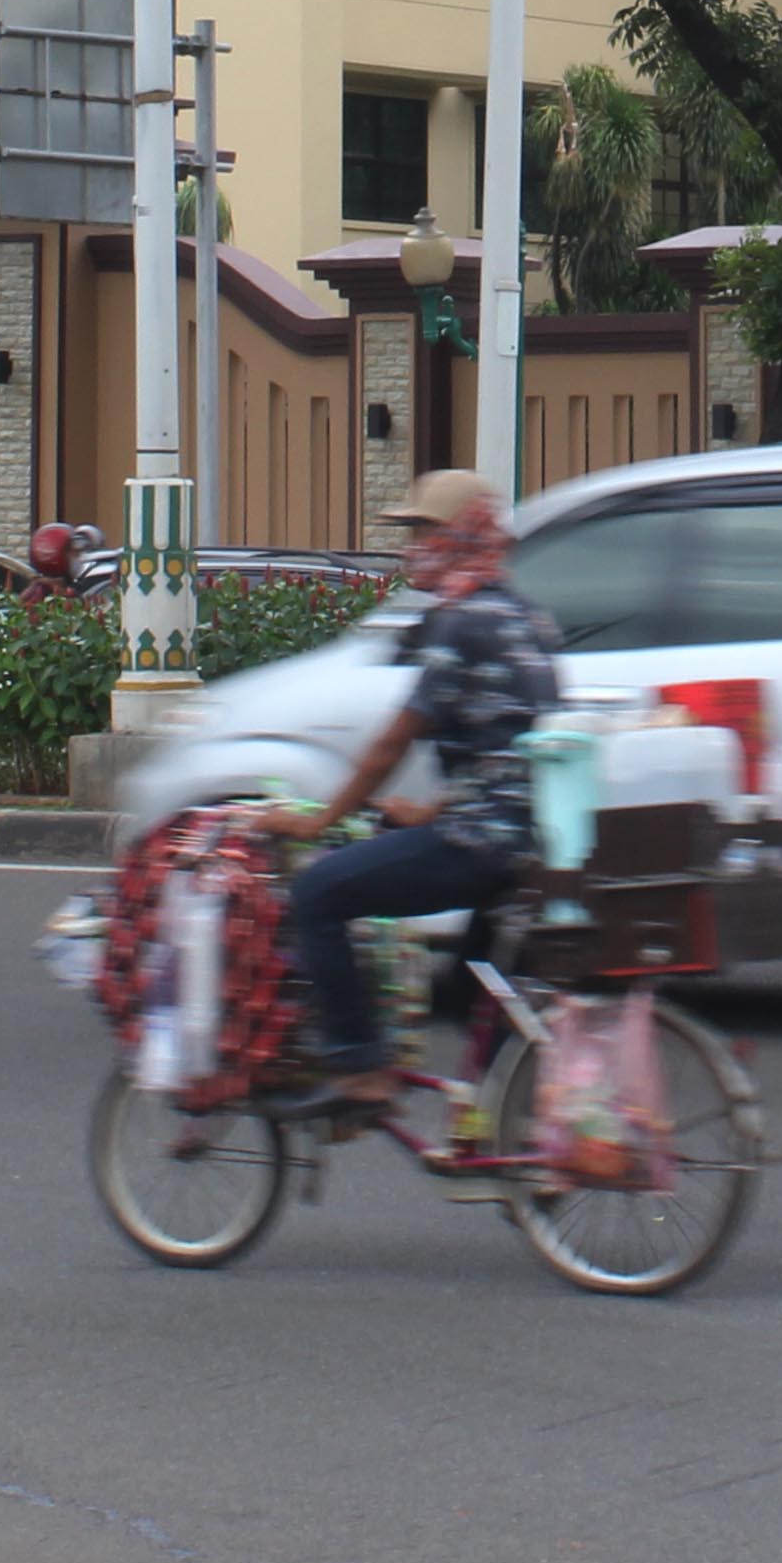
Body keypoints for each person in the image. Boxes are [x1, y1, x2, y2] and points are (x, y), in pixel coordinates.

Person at [260, 472, 557, 1107]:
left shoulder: (463, 622)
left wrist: (320, 823)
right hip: (526, 836)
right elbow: (509, 747)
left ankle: (360, 1067)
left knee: (316, 893)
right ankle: (507, 1131)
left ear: (460, 537)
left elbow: (393, 743)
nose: (412, 547)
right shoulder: (524, 615)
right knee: (476, 991)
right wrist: (427, 811)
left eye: (425, 532)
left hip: (482, 842)